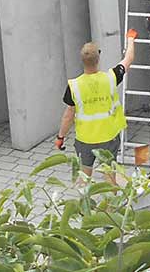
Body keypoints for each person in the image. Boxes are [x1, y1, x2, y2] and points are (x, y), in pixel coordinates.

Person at [54, 31, 136, 183]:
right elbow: (129, 58)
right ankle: (111, 206)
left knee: (84, 174)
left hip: (85, 138)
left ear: (82, 60)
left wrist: (61, 137)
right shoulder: (111, 77)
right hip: (108, 137)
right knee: (109, 172)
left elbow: (68, 115)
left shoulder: (74, 86)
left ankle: (84, 202)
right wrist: (131, 38)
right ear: (98, 59)